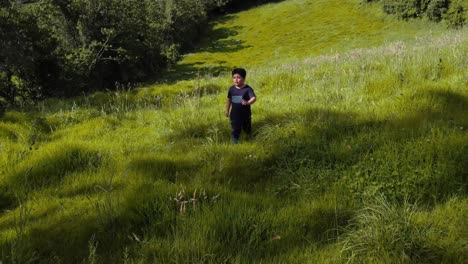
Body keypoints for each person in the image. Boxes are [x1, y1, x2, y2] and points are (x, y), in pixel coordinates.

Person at [225, 68, 256, 144]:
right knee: (235, 129)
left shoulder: (247, 89)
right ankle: (235, 142)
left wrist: (248, 102)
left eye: (238, 77)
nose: (236, 80)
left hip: (245, 114)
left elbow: (254, 98)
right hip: (234, 114)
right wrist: (227, 111)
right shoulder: (231, 89)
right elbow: (229, 100)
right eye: (234, 78)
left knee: (247, 128)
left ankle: (249, 140)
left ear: (244, 78)